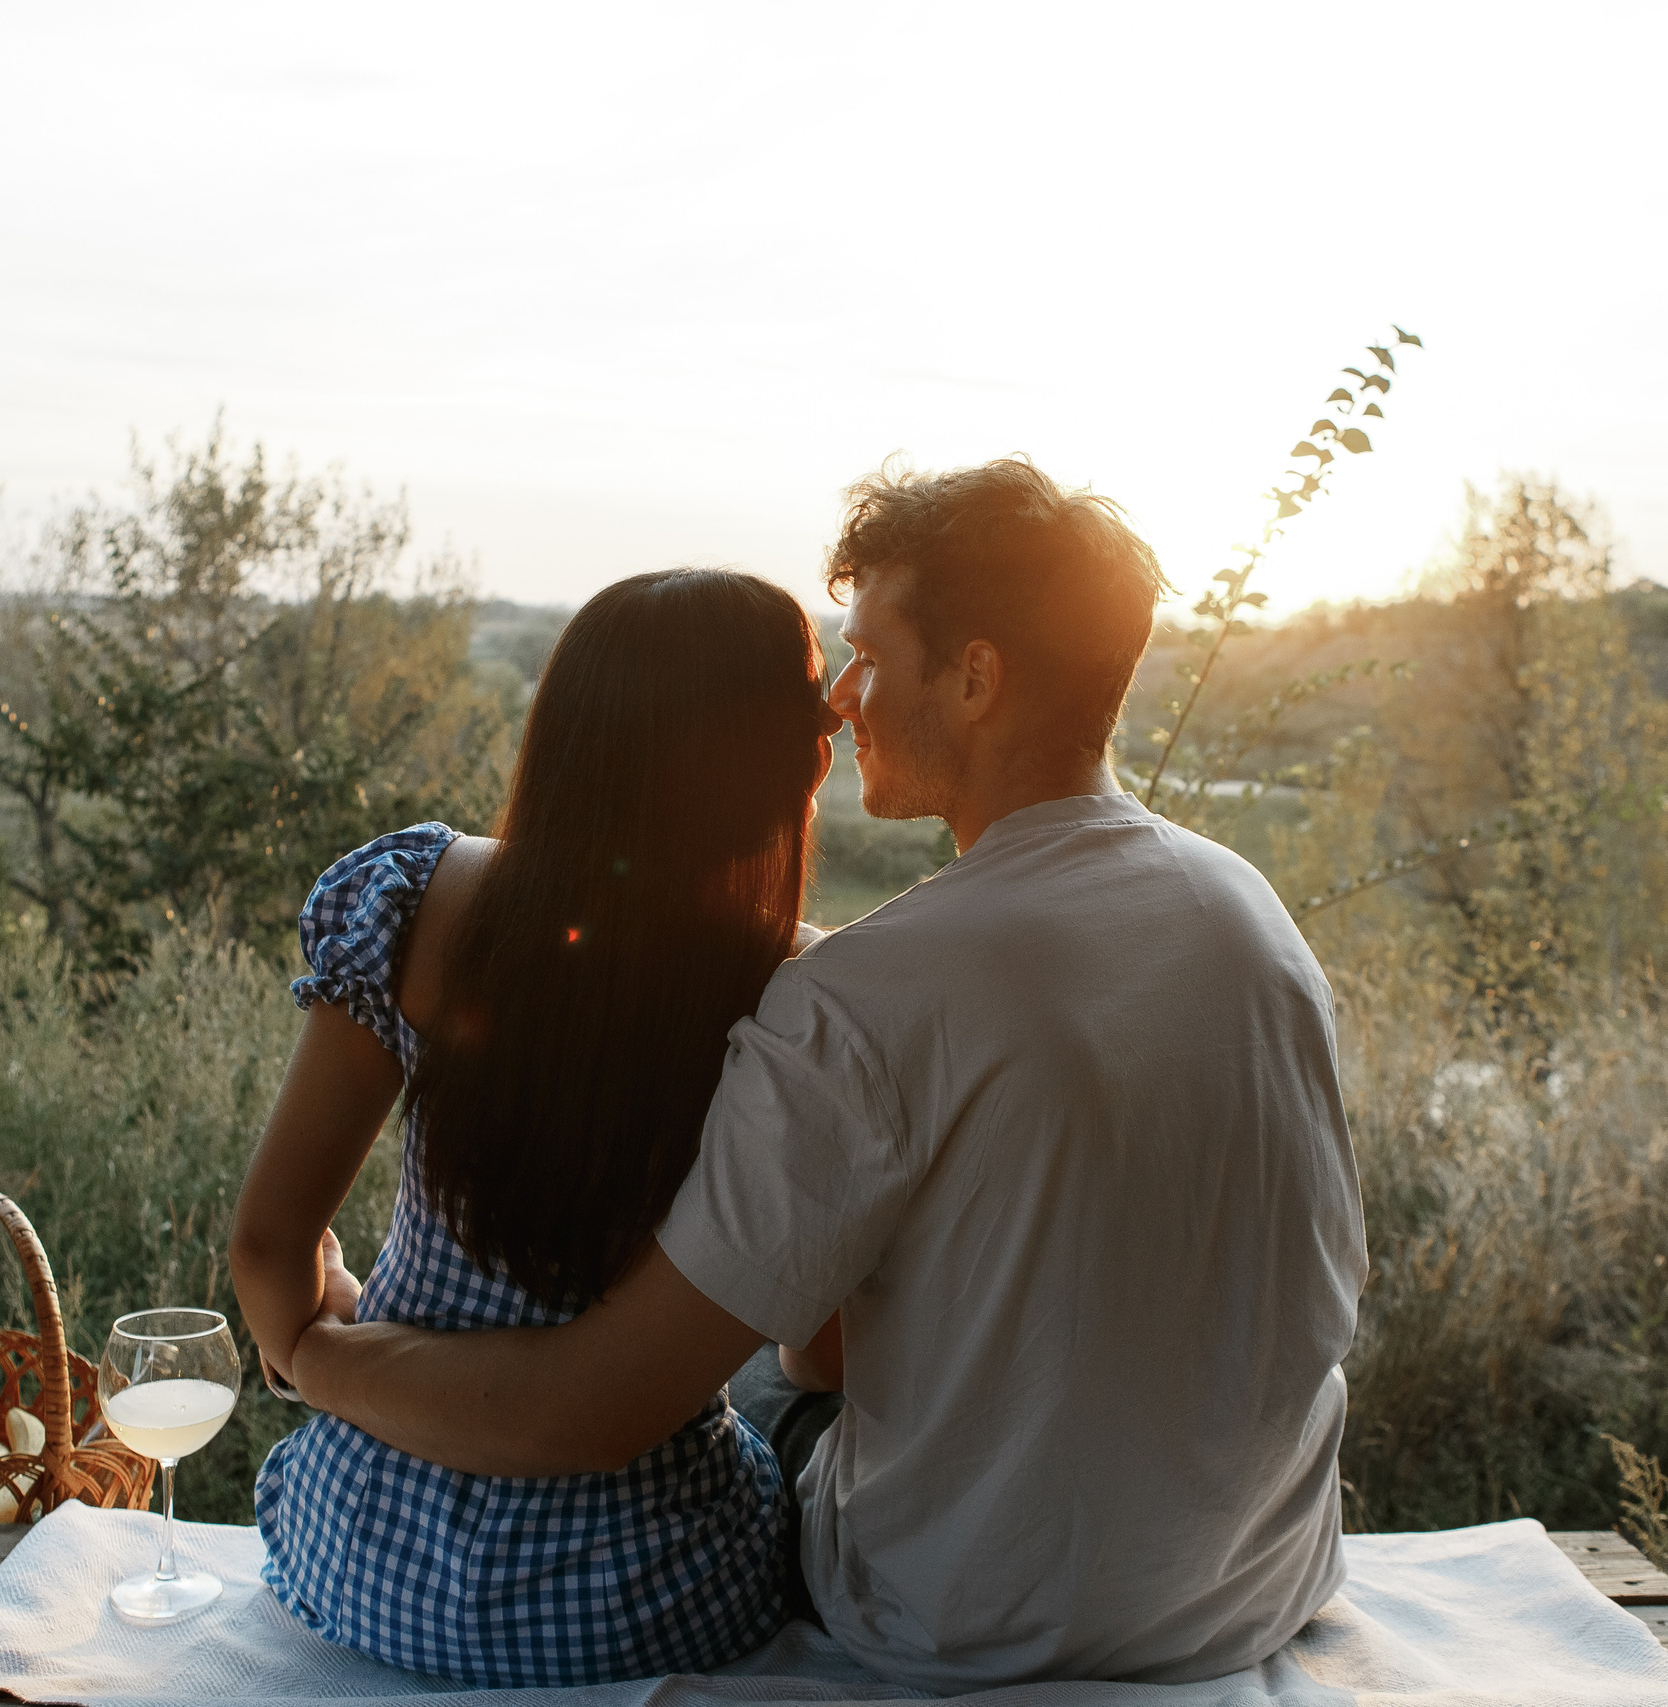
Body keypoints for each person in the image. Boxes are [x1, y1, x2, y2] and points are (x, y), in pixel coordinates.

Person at [275, 458, 1369, 1692]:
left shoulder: (870, 993)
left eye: (865, 654)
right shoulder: (1249, 914)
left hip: (967, 1623)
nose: (843, 700)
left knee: (724, 1365)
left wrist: (314, 1356)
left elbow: (581, 1414)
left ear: (974, 676)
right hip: (1252, 1586)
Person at [227, 567, 843, 1687]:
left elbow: (267, 1246)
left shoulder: (413, 902)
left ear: (568, 731)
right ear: (787, 767)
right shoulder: (804, 996)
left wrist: (331, 1349)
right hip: (644, 1590)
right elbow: (821, 1350)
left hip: (365, 1553)